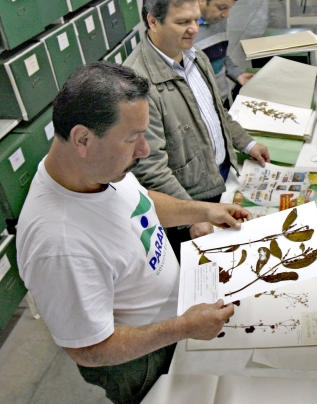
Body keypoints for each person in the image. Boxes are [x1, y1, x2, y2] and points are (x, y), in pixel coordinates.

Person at [16, 62, 249, 404]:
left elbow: (139, 202)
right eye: (132, 138)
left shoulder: (98, 168)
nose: (145, 150)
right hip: (139, 358)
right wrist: (183, 327)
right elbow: (89, 349)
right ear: (82, 138)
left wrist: (201, 210)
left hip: (175, 318)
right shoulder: (59, 245)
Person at [123, 0, 270, 257]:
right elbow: (151, 167)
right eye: (182, 22)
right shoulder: (138, 83)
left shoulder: (195, 56)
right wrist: (191, 215)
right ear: (153, 21)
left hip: (221, 181)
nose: (193, 29)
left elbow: (218, 114)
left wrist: (247, 144)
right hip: (191, 204)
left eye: (195, 20)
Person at [196, 0, 254, 104]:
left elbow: (219, 56)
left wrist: (237, 73)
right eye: (221, 7)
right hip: (201, 110)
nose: (226, 15)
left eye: (229, 8)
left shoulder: (219, 20)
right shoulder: (184, 31)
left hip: (222, 101)